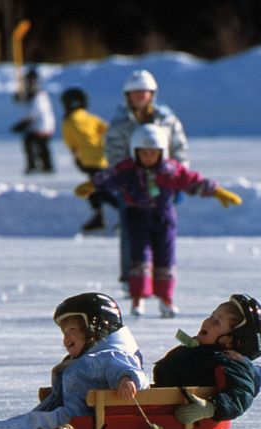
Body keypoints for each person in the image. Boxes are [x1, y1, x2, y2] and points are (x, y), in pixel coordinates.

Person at [77, 124, 242, 318]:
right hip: (136, 217)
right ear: (135, 152)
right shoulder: (127, 169)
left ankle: (166, 299)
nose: (148, 157)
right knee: (140, 257)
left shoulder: (170, 169)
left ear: (161, 152)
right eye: (144, 153)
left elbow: (191, 180)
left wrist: (216, 191)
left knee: (166, 258)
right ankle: (138, 298)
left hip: (163, 218)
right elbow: (109, 176)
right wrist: (92, 184)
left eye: (153, 153)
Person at [0, 293, 149, 429]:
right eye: (64, 332)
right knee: (34, 420)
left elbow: (129, 369)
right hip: (76, 419)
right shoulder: (92, 357)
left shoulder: (111, 354)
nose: (66, 338)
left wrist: (126, 379)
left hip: (82, 424)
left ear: (96, 327)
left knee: (37, 422)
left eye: (72, 330)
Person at [106, 69, 190, 289]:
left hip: (163, 182)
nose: (140, 97)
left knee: (164, 232)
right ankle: (130, 277)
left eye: (144, 92)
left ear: (152, 94)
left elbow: (179, 148)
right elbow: (114, 153)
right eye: (135, 93)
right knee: (130, 232)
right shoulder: (120, 123)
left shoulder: (167, 119)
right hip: (133, 184)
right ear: (128, 96)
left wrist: (179, 176)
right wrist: (123, 177)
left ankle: (162, 279)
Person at [153, 294, 261, 423]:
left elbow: (240, 393)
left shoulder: (230, 362)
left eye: (217, 322)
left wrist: (209, 408)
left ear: (232, 341)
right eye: (211, 316)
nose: (207, 322)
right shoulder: (196, 351)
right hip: (165, 421)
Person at [60, 87, 118, 233]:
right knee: (95, 187)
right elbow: (108, 129)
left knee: (99, 189)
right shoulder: (90, 117)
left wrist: (77, 158)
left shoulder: (68, 122)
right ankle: (99, 216)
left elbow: (72, 144)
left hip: (88, 160)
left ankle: (122, 211)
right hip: (103, 157)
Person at [11, 67, 55, 174]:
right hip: (38, 125)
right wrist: (19, 98)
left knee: (37, 145)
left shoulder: (39, 96)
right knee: (38, 145)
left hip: (41, 126)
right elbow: (25, 104)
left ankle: (41, 166)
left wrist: (23, 123)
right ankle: (41, 165)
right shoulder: (33, 94)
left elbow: (34, 112)